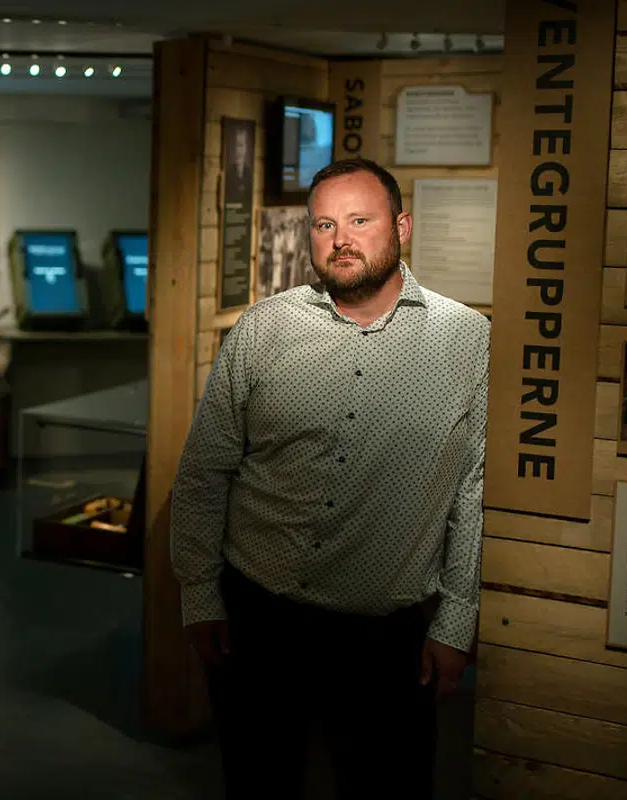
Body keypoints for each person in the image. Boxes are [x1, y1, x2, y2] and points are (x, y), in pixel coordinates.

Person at [170, 158, 488, 799]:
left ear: (401, 228)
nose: (340, 238)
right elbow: (205, 473)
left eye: (359, 220)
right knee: (258, 782)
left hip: (385, 638)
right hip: (256, 622)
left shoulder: (467, 341)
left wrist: (455, 623)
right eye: (324, 224)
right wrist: (200, 594)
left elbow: (473, 493)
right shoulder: (264, 329)